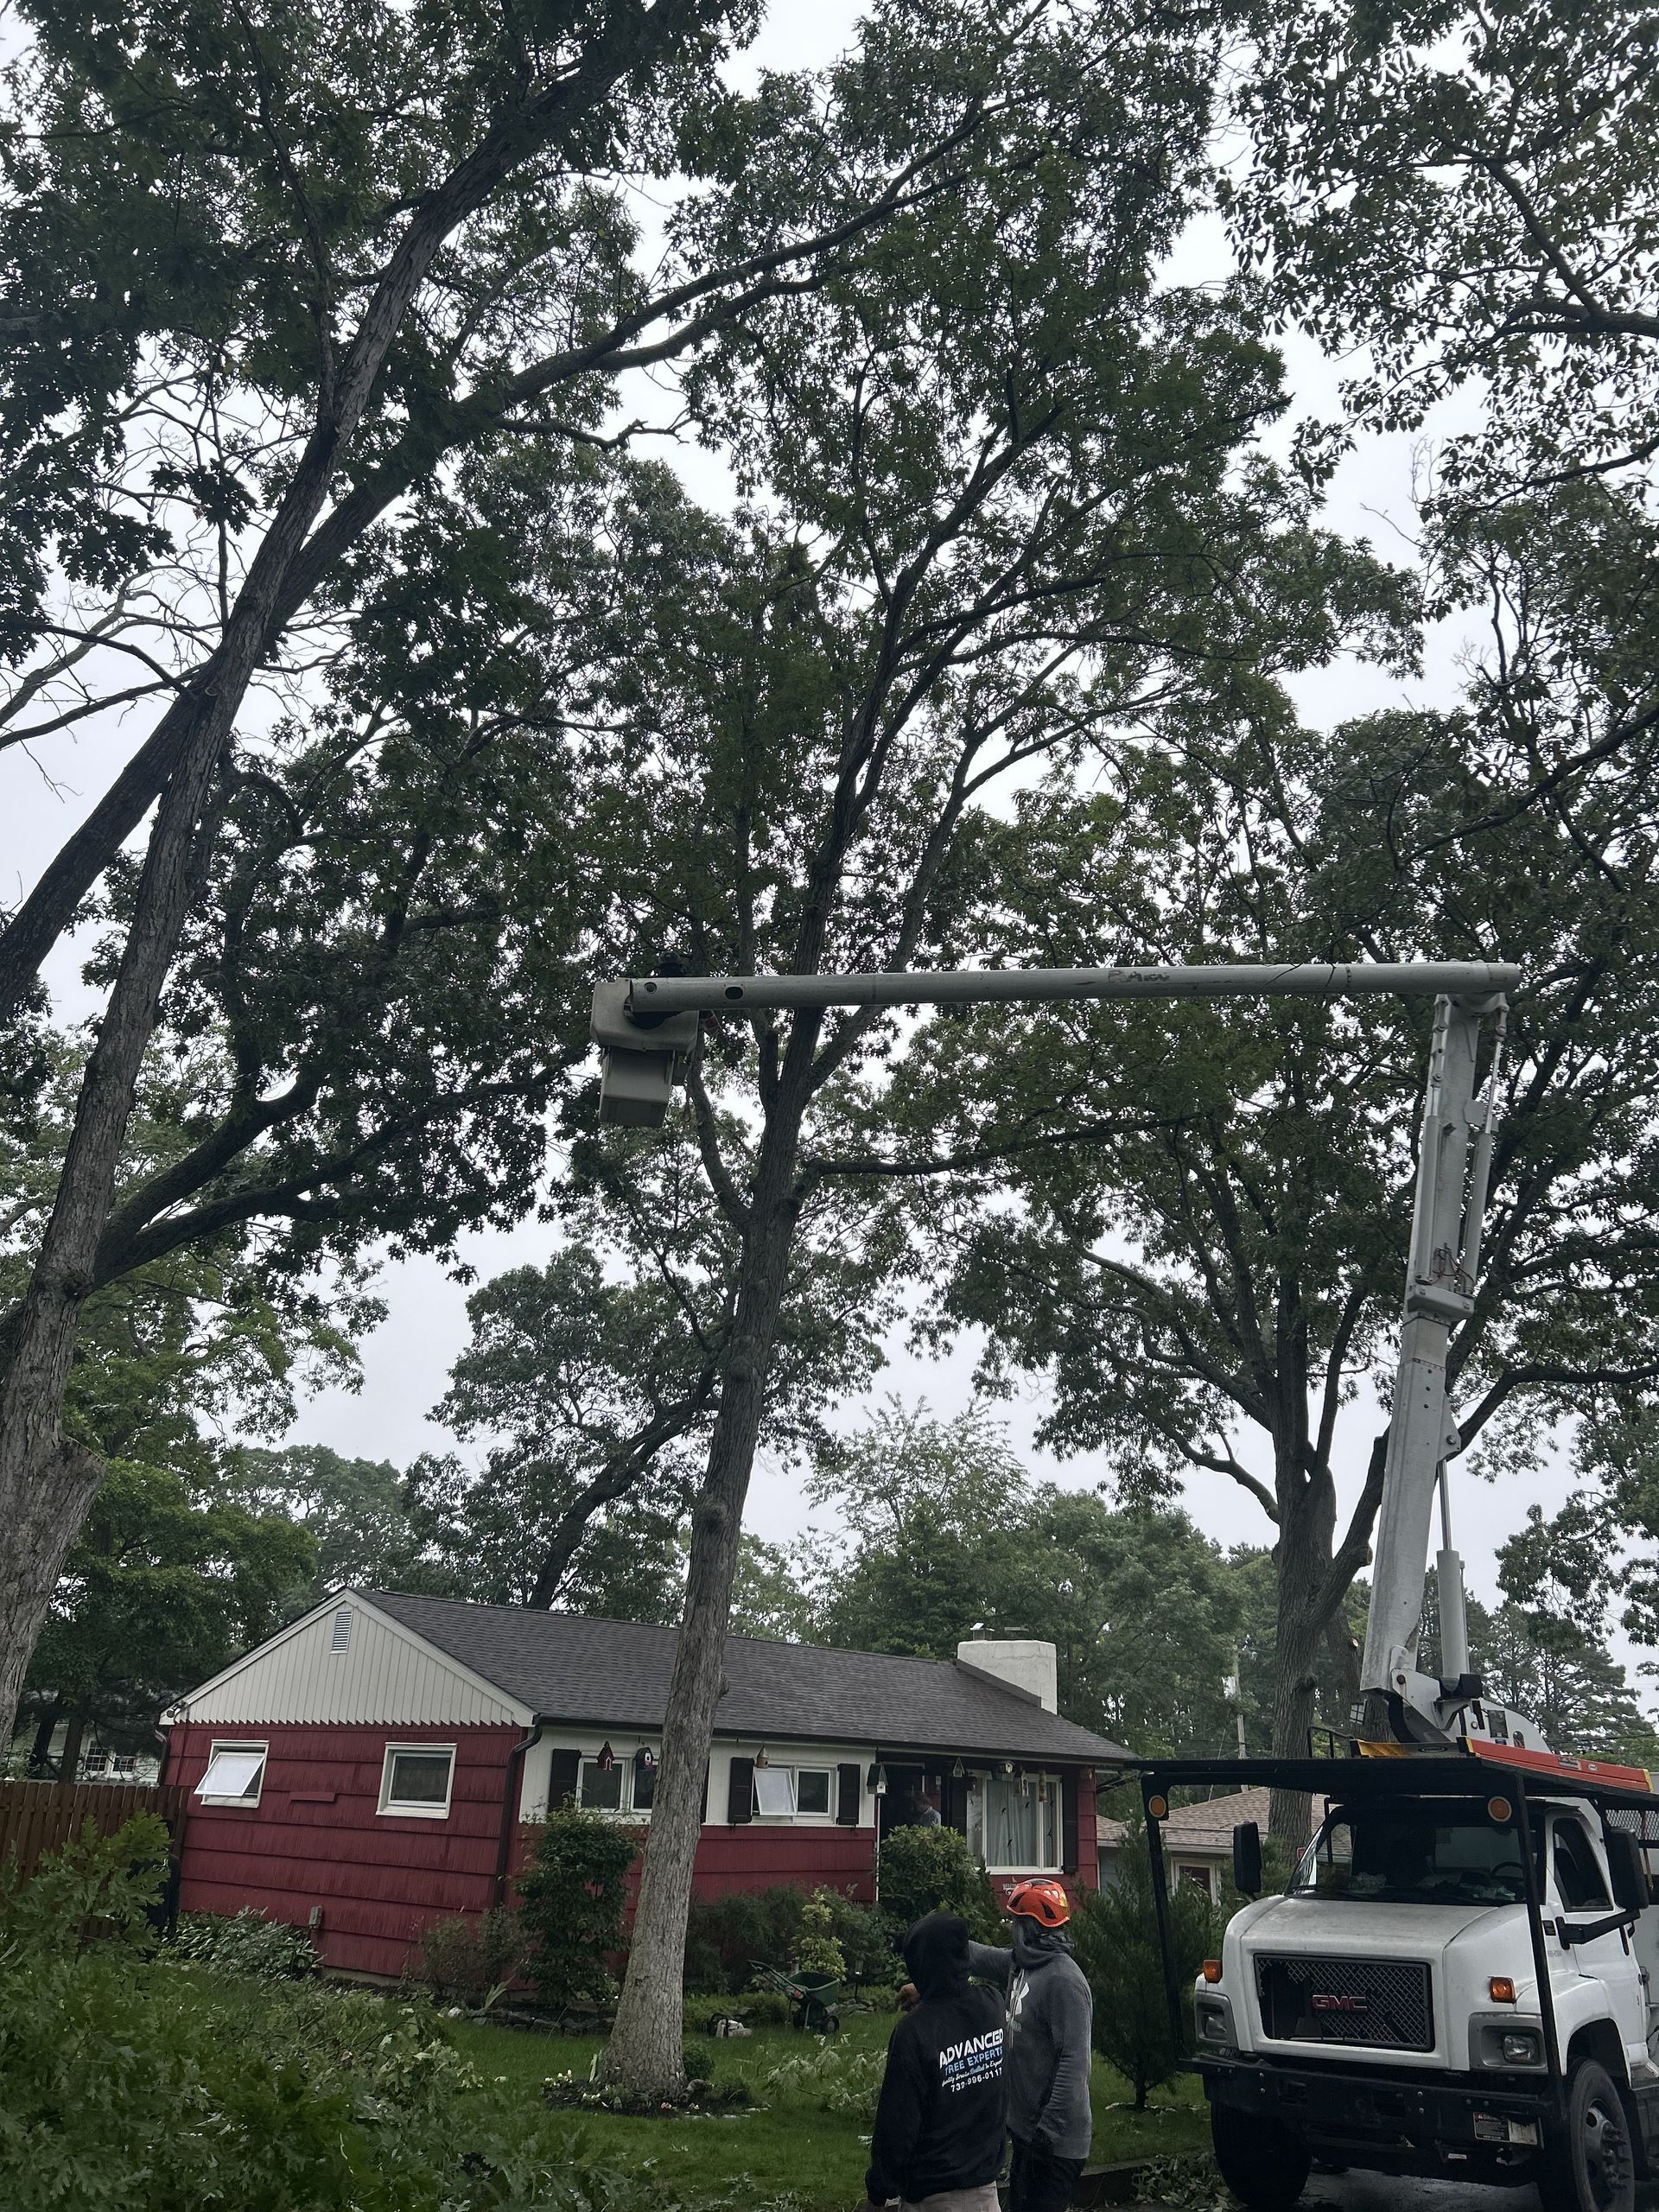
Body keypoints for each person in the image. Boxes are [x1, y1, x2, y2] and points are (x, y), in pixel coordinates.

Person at [865, 1910, 1007, 2212]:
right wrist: (932, 1995)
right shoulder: (992, 2005)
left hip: (934, 2198)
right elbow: (957, 2003)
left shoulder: (913, 2033)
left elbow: (897, 2125)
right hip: (986, 2194)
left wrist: (877, 2194)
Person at [966, 1878, 1092, 2212]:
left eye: (1015, 1922)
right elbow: (980, 1957)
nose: (1011, 1929)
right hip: (1027, 2132)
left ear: (1029, 1928)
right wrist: (936, 1940)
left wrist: (1046, 2134)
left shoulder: (1064, 1981)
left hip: (1055, 2143)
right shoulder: (1021, 1963)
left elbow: (1074, 2062)